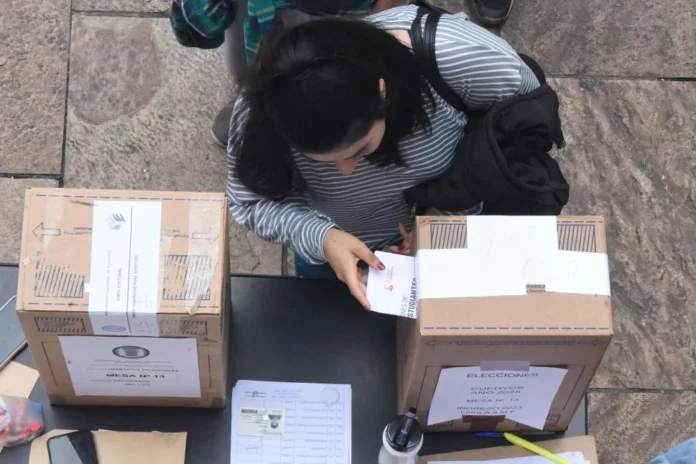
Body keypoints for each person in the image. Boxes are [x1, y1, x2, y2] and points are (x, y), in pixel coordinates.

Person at [226, 4, 540, 308]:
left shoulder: (459, 55)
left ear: (382, 91)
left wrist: (446, 213)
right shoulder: (264, 107)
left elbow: (524, 120)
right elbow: (249, 201)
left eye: (361, 149)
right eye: (317, 162)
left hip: (455, 237)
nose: (345, 171)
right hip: (331, 258)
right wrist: (323, 238)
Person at [169, 0, 391, 148]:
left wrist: (386, 13)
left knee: (336, 85)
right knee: (250, 70)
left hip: (349, 8)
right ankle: (254, 107)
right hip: (257, 8)